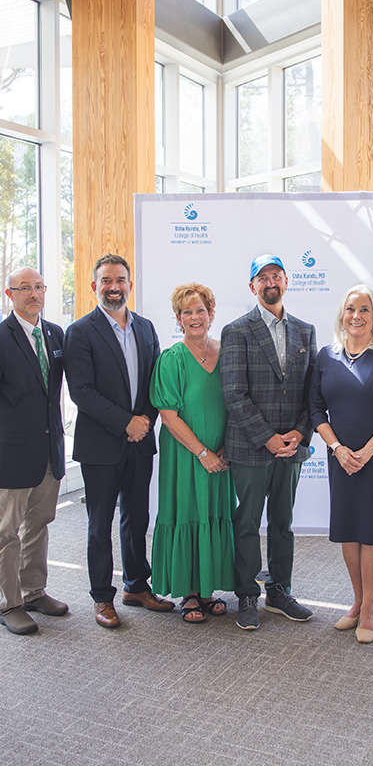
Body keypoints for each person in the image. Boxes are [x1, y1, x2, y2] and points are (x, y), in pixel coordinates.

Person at [63, 254, 174, 628]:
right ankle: (101, 598)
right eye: (106, 281)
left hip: (139, 443)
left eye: (121, 280)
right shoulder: (79, 332)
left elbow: (155, 382)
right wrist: (127, 422)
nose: (114, 287)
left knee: (136, 517)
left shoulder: (145, 328)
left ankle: (136, 586)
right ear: (95, 286)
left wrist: (145, 421)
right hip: (101, 445)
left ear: (129, 284)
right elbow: (82, 391)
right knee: (99, 524)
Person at [309, 284, 373, 643]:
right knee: (350, 531)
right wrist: (337, 448)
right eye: (351, 309)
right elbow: (315, 408)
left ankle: (369, 609)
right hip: (340, 459)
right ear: (341, 315)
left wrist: (365, 453)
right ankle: (355, 602)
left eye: (364, 309)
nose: (357, 316)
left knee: (371, 534)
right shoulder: (326, 356)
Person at [220, 254, 317, 630]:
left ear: (287, 281)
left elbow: (313, 392)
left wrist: (299, 433)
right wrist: (268, 438)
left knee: (283, 523)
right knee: (246, 523)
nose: (270, 282)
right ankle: (246, 594)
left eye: (276, 275)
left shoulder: (306, 331)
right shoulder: (237, 330)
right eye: (262, 278)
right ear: (252, 287)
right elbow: (234, 394)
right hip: (250, 448)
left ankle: (279, 591)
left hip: (291, 450)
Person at [149, 283, 235, 623]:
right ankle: (189, 593)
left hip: (223, 454)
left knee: (213, 512)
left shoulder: (227, 352)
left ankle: (208, 589)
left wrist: (226, 447)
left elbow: (237, 402)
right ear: (178, 318)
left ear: (211, 314)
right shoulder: (172, 359)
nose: (195, 317)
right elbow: (168, 415)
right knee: (187, 512)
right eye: (187, 312)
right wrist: (203, 453)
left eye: (201, 310)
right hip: (187, 456)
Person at [0, 268, 68, 635]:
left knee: (39, 523)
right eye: (24, 288)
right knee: (6, 532)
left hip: (49, 450)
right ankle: (9, 603)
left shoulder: (55, 334)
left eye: (39, 287)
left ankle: (34, 591)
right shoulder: (1, 336)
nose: (33, 294)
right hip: (10, 453)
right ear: (10, 294)